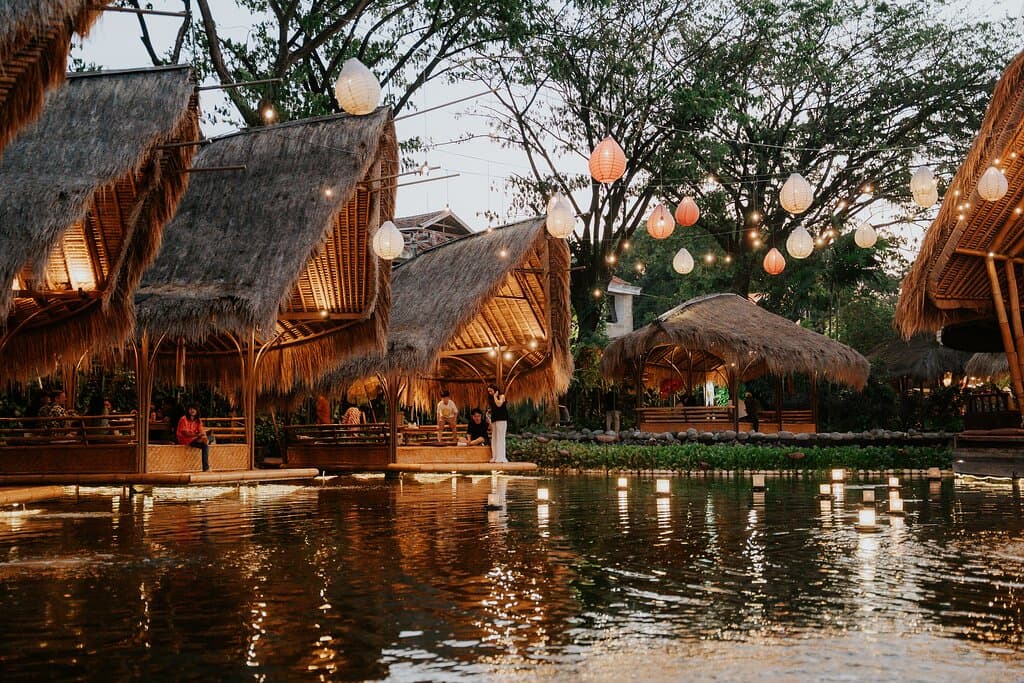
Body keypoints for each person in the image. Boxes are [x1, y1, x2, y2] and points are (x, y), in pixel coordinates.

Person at [177, 404, 211, 471]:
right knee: (206, 442)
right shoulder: (183, 419)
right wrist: (198, 436)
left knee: (207, 443)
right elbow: (185, 433)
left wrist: (203, 436)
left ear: (197, 411)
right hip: (185, 439)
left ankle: (205, 468)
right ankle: (206, 468)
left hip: (195, 438)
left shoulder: (198, 420)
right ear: (188, 410)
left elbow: (201, 431)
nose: (192, 410)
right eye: (190, 409)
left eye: (194, 409)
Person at [487, 384, 509, 463]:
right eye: (489, 391)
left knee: (500, 438)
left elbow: (499, 404)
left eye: (491, 391)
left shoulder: (502, 396)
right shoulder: (491, 399)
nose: (490, 393)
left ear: (495, 390)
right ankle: (495, 456)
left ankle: (501, 457)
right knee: (494, 438)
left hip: (502, 419)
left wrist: (495, 396)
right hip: (494, 420)